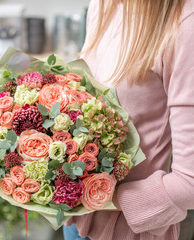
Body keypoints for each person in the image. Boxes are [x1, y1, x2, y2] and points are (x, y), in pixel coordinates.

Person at [63, 0, 194, 239]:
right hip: (75, 219)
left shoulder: (185, 24)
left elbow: (190, 184)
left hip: (126, 228)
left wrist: (99, 195)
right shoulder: (104, 4)